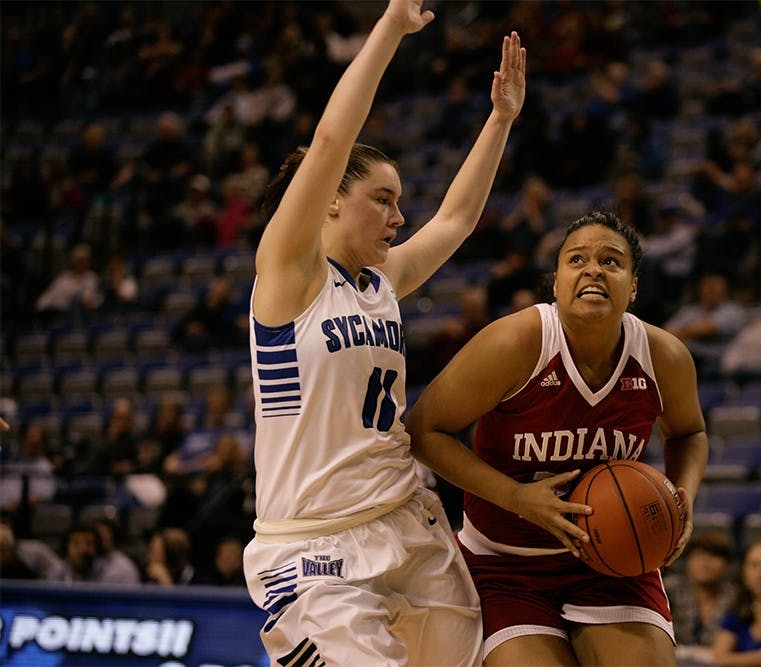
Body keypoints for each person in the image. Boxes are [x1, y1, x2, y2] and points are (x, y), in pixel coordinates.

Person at [241, 1, 526, 664]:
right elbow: (335, 140)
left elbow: (455, 220)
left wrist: (501, 119)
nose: (400, 215)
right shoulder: (287, 273)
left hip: (409, 520)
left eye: (400, 201)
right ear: (331, 198)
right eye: (384, 198)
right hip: (312, 546)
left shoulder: (383, 282)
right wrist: (392, 27)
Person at [407, 210, 710, 666]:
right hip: (506, 561)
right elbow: (424, 432)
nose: (593, 269)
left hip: (616, 563)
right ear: (555, 282)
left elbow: (690, 432)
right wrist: (516, 496)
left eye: (611, 261)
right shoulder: (516, 342)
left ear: (633, 286)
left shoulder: (663, 356)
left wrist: (683, 492)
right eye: (577, 259)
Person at [663, 531, 736, 648]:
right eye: (699, 556)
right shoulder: (669, 590)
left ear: (727, 565)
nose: (705, 563)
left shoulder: (736, 598)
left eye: (714, 556)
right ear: (687, 561)